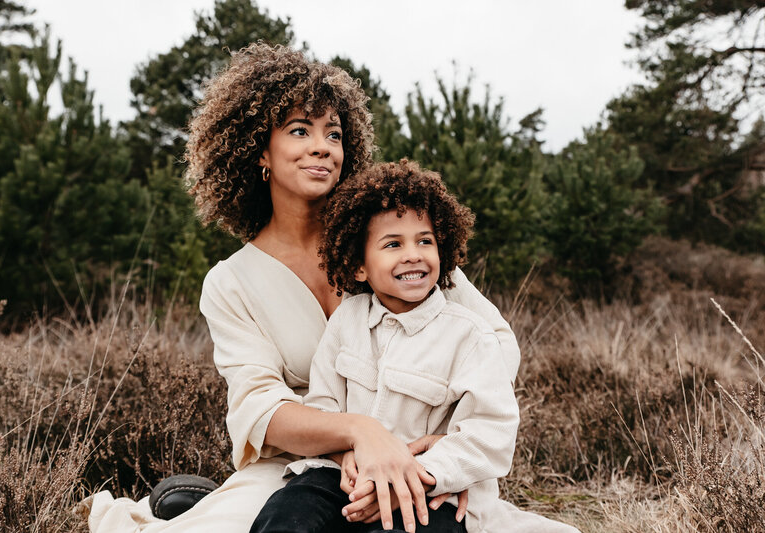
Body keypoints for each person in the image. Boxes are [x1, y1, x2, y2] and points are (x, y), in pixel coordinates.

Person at [82, 42, 579, 533]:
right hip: (306, 470)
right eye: (300, 131)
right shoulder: (231, 283)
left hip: (419, 461)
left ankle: (205, 503)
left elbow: (494, 345)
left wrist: (439, 453)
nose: (322, 146)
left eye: (334, 133)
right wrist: (359, 437)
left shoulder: (392, 246)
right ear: (260, 151)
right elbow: (263, 413)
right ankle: (202, 507)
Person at [250, 160, 520, 533]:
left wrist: (426, 474)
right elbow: (323, 403)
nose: (412, 254)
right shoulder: (348, 319)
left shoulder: (469, 334)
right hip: (342, 475)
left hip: (427, 485)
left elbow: (491, 433)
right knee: (287, 515)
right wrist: (343, 453)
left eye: (425, 241)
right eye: (393, 244)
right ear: (359, 266)